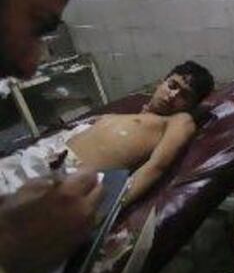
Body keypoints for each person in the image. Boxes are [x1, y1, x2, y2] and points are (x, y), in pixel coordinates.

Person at [0, 0, 101, 273]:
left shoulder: (169, 122)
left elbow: (157, 164)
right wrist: (12, 252)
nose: (29, 65)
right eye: (36, 25)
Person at [0, 61, 214, 210]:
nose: (173, 94)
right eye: (172, 85)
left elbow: (155, 168)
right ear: (161, 82)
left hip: (69, 177)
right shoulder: (123, 116)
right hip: (41, 160)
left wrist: (110, 211)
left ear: (192, 106)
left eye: (184, 95)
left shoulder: (178, 121)